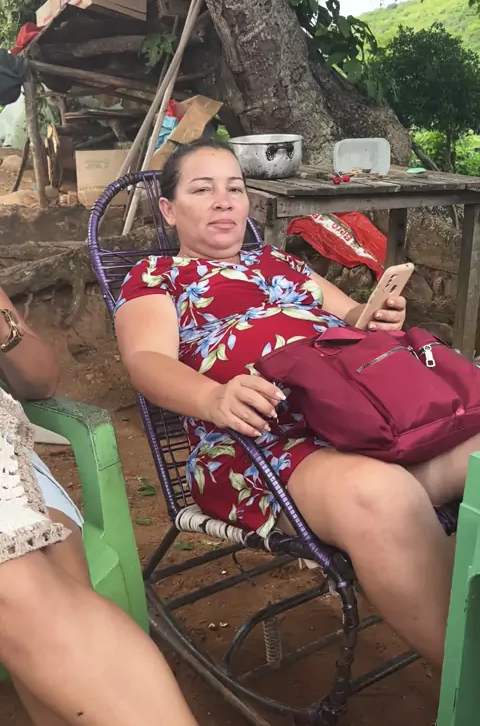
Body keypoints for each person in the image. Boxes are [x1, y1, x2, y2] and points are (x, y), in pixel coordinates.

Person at [114, 137, 477, 674]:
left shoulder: (279, 262)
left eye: (234, 188)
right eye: (203, 189)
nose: (223, 200)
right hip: (257, 445)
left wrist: (377, 317)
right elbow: (146, 361)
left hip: (369, 424)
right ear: (169, 210)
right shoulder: (157, 277)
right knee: (383, 495)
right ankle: (469, 686)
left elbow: (353, 318)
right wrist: (213, 397)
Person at [0, 286, 247, 726]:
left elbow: (40, 382)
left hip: (12, 464)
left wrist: (5, 332)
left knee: (65, 687)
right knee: (24, 595)